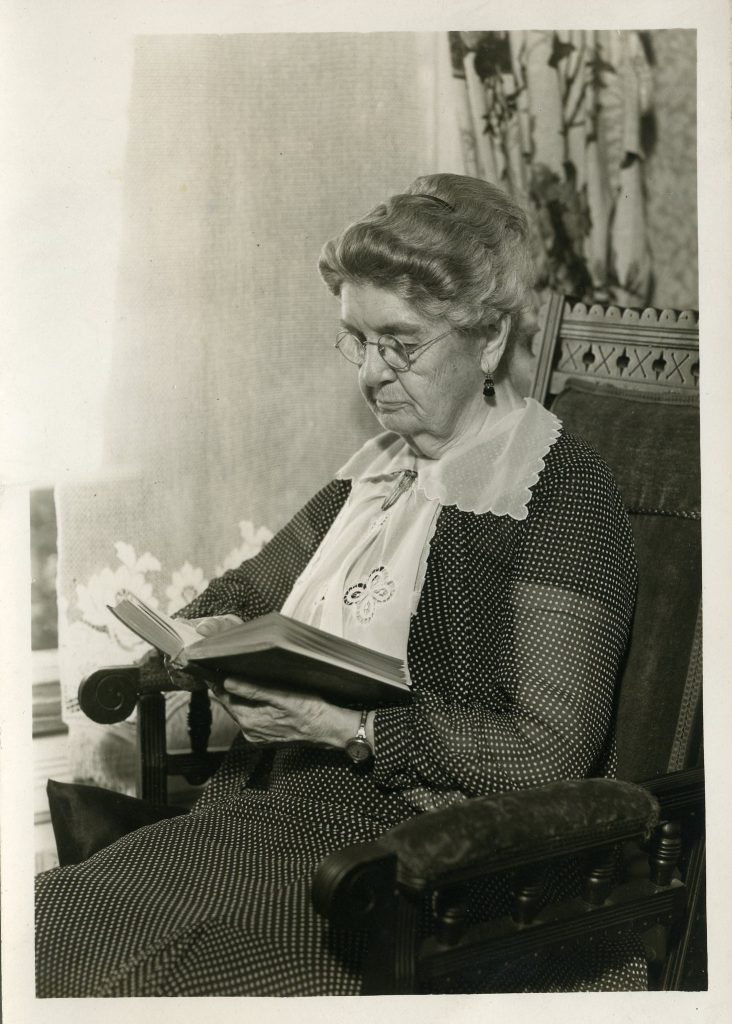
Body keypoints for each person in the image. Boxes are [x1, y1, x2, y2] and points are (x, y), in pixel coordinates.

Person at [35, 173, 642, 996]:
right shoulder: (374, 472)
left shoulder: (558, 494)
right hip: (272, 814)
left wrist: (350, 727)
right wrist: (203, 635)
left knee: (178, 977)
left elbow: (548, 754)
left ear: (491, 338)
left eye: (401, 344)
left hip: (438, 865)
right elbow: (246, 592)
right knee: (51, 922)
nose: (372, 374)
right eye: (357, 340)